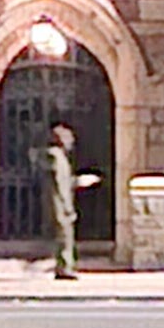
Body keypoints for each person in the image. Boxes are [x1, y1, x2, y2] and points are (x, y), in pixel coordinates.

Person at [46, 120, 102, 281]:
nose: (71, 142)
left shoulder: (60, 157)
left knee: (66, 234)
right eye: (68, 138)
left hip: (62, 201)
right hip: (60, 202)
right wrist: (66, 205)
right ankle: (64, 267)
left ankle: (65, 265)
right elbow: (59, 184)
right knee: (64, 235)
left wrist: (79, 181)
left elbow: (66, 181)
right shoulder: (55, 156)